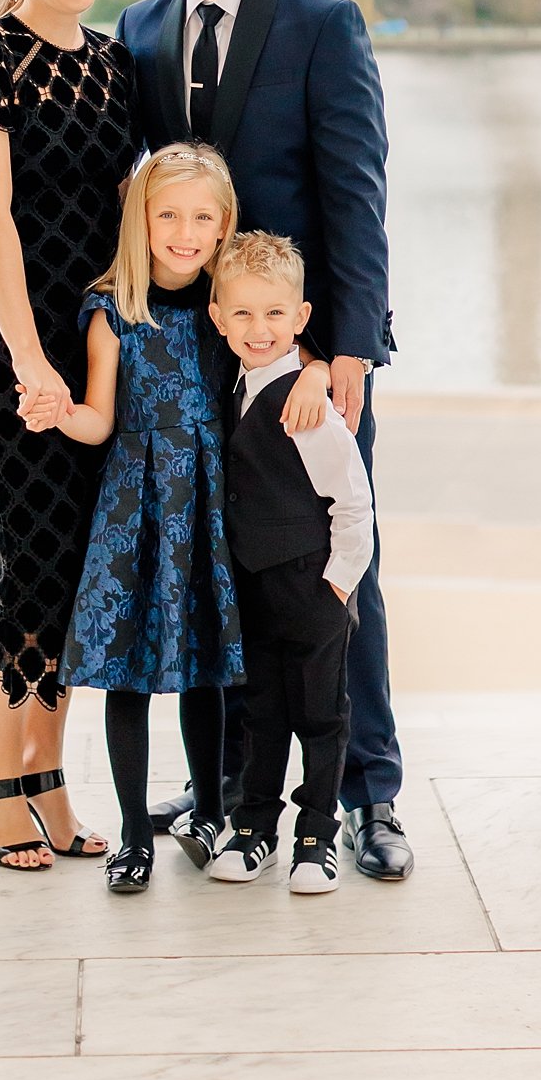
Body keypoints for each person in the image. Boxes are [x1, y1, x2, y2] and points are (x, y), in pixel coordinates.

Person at [118, 0, 412, 882]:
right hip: (201, 365)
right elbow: (138, 196)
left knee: (340, 573)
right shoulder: (141, 27)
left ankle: (371, 793)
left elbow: (357, 197)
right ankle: (233, 788)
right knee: (225, 572)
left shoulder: (323, 24)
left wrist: (350, 353)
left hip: (305, 360)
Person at [0, 0, 139, 871]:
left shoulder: (114, 65)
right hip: (13, 345)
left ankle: (51, 774)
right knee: (28, 549)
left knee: (75, 562)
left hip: (93, 341)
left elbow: (135, 212)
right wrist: (27, 359)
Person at [59, 144, 327, 893]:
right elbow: (98, 419)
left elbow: (274, 346)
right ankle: (132, 837)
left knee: (209, 666)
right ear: (140, 219)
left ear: (224, 225)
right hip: (137, 508)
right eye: (168, 214)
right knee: (129, 676)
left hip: (212, 503)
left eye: (201, 217)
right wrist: (60, 412)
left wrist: (312, 367)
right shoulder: (113, 312)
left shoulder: (225, 308)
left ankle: (212, 810)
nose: (184, 231)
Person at [206, 231, 373, 894]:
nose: (258, 329)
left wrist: (335, 589)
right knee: (263, 714)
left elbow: (353, 505)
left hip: (310, 589)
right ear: (218, 318)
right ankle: (253, 831)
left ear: (301, 320)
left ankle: (315, 839)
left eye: (275, 314)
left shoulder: (308, 408)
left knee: (322, 718)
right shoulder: (233, 391)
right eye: (242, 313)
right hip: (253, 587)